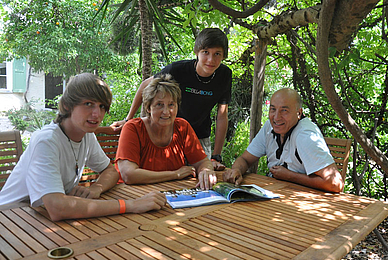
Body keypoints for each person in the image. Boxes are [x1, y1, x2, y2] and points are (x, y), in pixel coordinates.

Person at [0, 73, 166, 221]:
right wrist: (130, 205)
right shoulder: (47, 141)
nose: (97, 114)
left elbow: (111, 171)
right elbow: (58, 208)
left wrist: (97, 188)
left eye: (102, 106)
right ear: (66, 106)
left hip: (37, 217)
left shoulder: (86, 135)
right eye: (88, 104)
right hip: (11, 219)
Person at [111, 28, 232, 170]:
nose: (211, 60)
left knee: (203, 178)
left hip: (199, 136)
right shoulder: (178, 70)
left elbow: (222, 115)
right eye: (206, 52)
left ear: (224, 56)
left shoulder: (224, 75)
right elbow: (145, 85)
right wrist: (128, 119)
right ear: (197, 52)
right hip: (170, 134)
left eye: (217, 54)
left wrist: (216, 156)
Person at [223, 88, 344, 193]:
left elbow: (335, 183)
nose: (276, 117)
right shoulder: (269, 127)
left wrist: (290, 176)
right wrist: (237, 170)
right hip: (277, 195)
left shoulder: (305, 135)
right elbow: (245, 159)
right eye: (273, 109)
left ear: (299, 113)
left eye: (284, 110)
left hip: (306, 204)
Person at [115, 74, 217, 190]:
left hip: (168, 193)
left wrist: (206, 170)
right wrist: (175, 174)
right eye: (159, 105)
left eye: (171, 105)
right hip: (129, 194)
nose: (166, 112)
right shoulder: (133, 128)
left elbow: (202, 162)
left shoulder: (182, 127)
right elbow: (129, 175)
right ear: (148, 108)